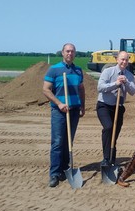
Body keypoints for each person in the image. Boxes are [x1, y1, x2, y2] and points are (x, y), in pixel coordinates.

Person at [43, 43, 85, 187]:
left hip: (74, 110)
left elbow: (81, 90)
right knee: (57, 142)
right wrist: (59, 103)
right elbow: (46, 90)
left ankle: (65, 168)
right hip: (59, 111)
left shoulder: (78, 71)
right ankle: (54, 173)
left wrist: (82, 106)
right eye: (67, 51)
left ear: (75, 54)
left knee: (69, 141)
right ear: (62, 53)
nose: (70, 53)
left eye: (72, 51)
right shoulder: (53, 70)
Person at [96, 51, 135, 166]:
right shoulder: (108, 72)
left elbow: (133, 91)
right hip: (104, 106)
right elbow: (100, 87)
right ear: (117, 60)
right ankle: (105, 159)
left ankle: (111, 160)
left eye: (126, 60)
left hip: (118, 107)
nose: (124, 62)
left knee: (115, 134)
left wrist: (126, 82)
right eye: (122, 59)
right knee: (109, 128)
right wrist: (116, 83)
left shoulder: (129, 75)